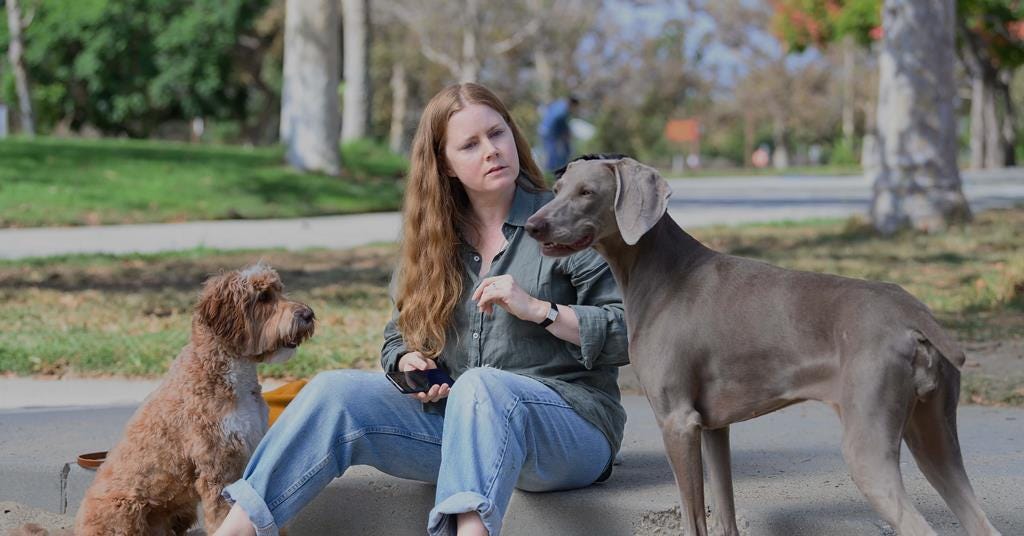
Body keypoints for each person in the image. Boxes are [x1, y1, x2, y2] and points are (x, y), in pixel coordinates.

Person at [213, 83, 628, 536]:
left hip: (570, 432)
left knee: (481, 387)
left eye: (497, 133)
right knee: (334, 392)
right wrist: (408, 363)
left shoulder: (567, 219)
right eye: (470, 144)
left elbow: (628, 331)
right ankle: (236, 531)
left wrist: (538, 309)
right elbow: (399, 335)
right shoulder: (435, 242)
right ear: (445, 165)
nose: (491, 151)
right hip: (464, 431)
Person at [537, 95, 578, 173]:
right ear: (572, 105)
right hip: (549, 133)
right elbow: (561, 127)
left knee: (549, 153)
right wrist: (566, 137)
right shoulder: (562, 113)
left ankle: (552, 170)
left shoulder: (560, 103)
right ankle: (552, 172)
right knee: (552, 154)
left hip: (544, 129)